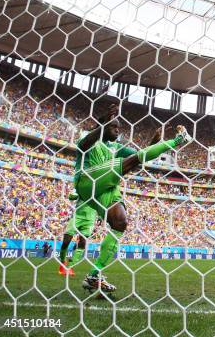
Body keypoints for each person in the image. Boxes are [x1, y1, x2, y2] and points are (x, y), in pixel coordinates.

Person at [73, 104, 191, 293]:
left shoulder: (115, 148)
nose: (118, 130)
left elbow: (140, 156)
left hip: (105, 189)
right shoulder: (89, 140)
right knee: (118, 166)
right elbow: (85, 144)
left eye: (119, 128)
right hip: (87, 181)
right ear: (103, 125)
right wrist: (103, 125)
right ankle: (178, 140)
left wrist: (154, 143)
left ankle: (94, 275)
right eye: (114, 127)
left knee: (120, 223)